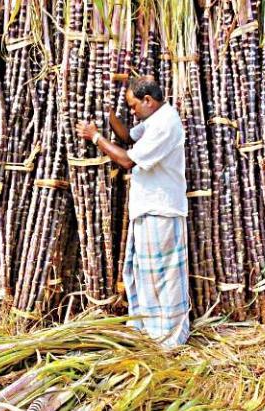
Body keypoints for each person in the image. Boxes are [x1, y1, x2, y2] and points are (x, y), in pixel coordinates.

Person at [75, 75, 190, 348]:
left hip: (162, 210)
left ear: (148, 100)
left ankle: (169, 338)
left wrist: (95, 137)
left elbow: (127, 159)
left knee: (164, 277)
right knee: (144, 274)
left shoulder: (166, 124)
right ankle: (152, 332)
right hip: (150, 209)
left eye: (133, 106)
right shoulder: (155, 120)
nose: (133, 111)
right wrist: (109, 113)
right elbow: (127, 137)